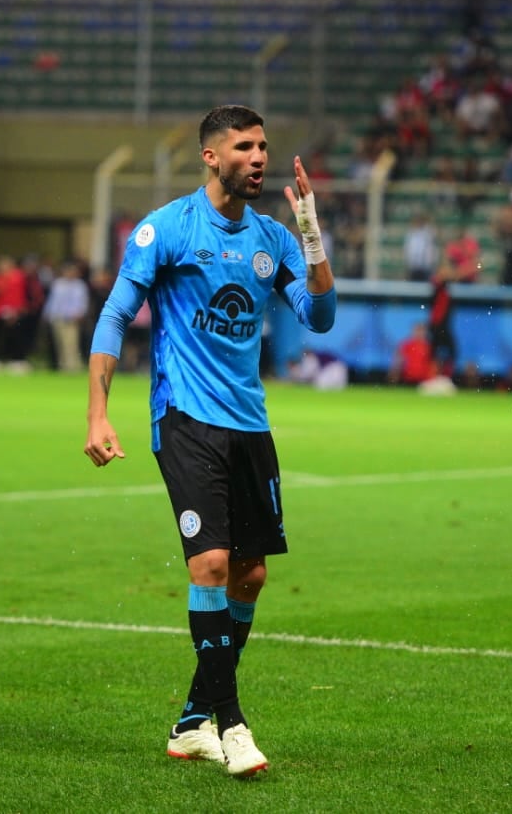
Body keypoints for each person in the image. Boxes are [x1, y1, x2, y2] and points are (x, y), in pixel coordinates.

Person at [83, 105, 336, 779]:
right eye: (246, 146)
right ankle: (231, 723)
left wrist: (311, 235)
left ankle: (191, 719)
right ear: (211, 155)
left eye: (264, 146)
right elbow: (115, 314)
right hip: (185, 417)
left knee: (251, 572)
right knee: (212, 564)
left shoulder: (275, 237)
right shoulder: (166, 228)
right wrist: (98, 413)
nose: (260, 157)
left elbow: (321, 316)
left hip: (249, 423)